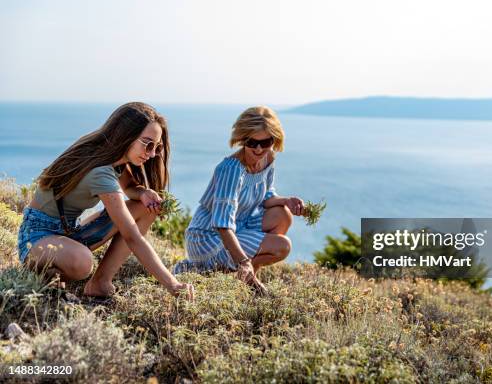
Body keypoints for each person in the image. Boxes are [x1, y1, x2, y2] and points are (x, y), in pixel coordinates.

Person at [16, 102, 194, 300]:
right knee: (83, 262)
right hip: (37, 238)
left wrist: (142, 193)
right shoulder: (100, 172)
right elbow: (132, 237)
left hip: (68, 231)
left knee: (146, 209)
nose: (152, 154)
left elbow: (128, 187)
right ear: (126, 136)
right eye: (148, 144)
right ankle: (45, 276)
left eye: (157, 147)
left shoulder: (111, 158)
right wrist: (173, 284)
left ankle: (100, 283)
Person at [174, 106, 303, 293]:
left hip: (239, 225)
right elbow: (222, 224)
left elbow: (266, 197)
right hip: (209, 237)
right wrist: (243, 260)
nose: (259, 149)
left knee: (283, 215)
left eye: (265, 142)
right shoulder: (232, 169)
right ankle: (236, 272)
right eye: (252, 142)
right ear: (242, 140)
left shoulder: (267, 159)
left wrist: (287, 201)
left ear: (274, 140)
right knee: (283, 246)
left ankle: (244, 275)